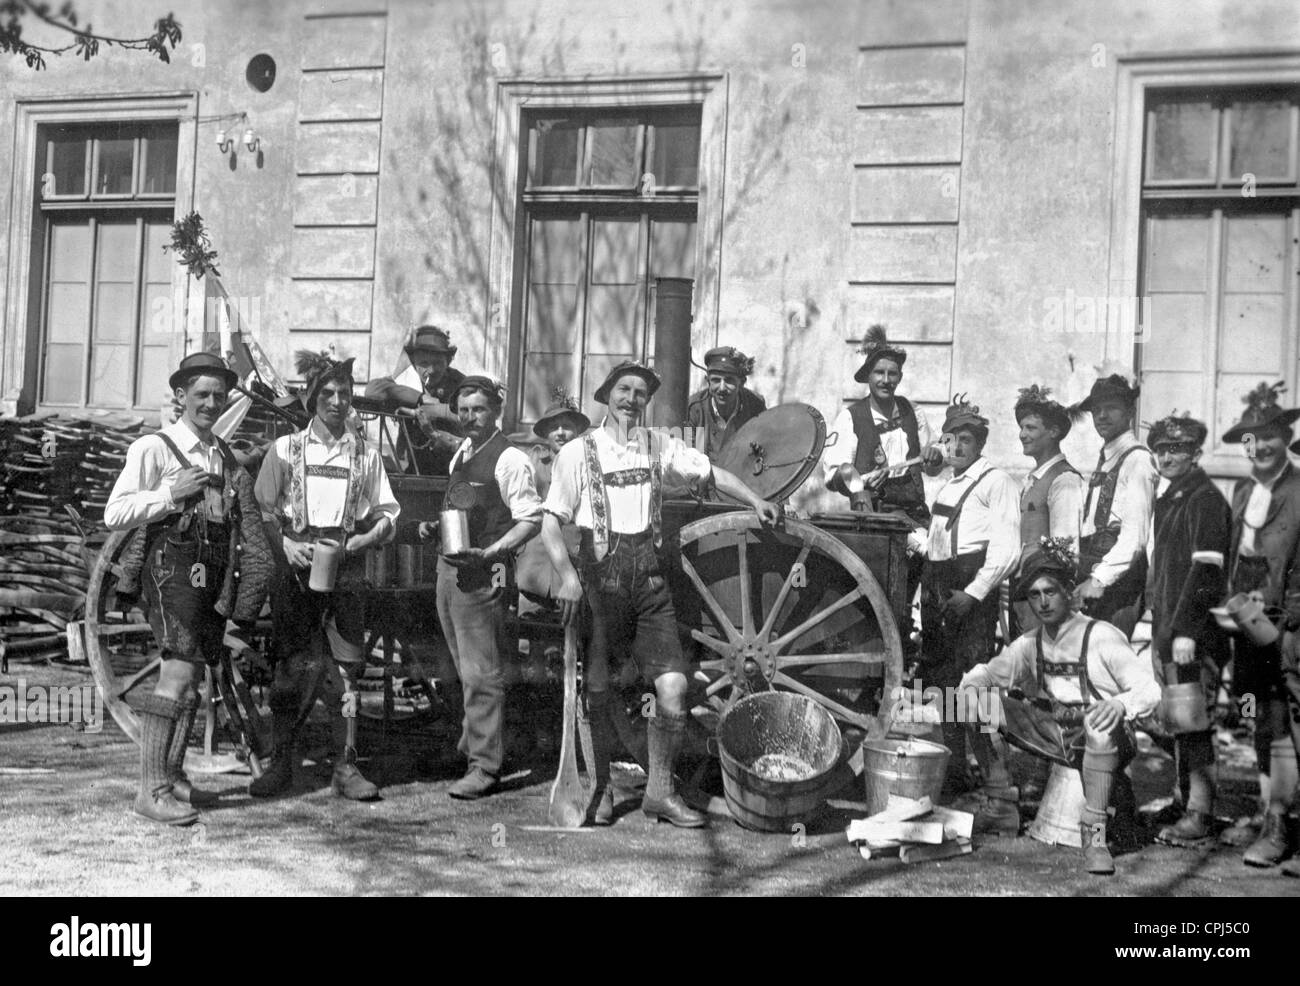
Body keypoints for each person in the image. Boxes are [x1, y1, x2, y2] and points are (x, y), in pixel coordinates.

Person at [541, 361, 781, 827]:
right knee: (598, 689)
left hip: (650, 581)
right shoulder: (577, 452)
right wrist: (567, 576)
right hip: (599, 583)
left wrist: (755, 500)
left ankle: (660, 791)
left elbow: (710, 474)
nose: (632, 399)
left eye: (640, 393)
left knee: (672, 688)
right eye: (624, 390)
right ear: (607, 395)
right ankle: (601, 787)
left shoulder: (660, 446)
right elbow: (552, 522)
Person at [104, 352, 272, 825]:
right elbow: (114, 514)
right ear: (180, 397)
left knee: (194, 676)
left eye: (219, 396)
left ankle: (172, 777)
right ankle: (150, 790)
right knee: (176, 677)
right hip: (168, 571)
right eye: (201, 394)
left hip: (209, 575)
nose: (211, 403)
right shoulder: (153, 448)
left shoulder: (221, 452)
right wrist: (169, 495)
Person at [955, 538, 1161, 874]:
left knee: (1097, 725)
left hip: (1107, 735)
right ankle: (1000, 804)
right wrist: (973, 688)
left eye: (1050, 591)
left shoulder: (1101, 636)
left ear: (1068, 592)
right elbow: (989, 674)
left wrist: (1121, 705)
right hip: (1055, 731)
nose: (1043, 602)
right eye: (1034, 596)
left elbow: (1150, 690)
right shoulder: (1029, 643)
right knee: (973, 702)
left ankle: (1095, 840)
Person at [250, 350, 400, 801]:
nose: (337, 401)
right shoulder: (285, 449)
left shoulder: (366, 456)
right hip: (296, 569)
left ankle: (346, 767)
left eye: (345, 393)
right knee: (290, 667)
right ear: (313, 398)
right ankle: (282, 765)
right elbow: (261, 509)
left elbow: (389, 512)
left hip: (347, 566)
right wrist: (289, 546)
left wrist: (366, 539)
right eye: (328, 393)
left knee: (348, 668)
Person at [420, 375, 543, 800]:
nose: (471, 417)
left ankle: (486, 766)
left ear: (496, 412)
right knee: (459, 665)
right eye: (465, 410)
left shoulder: (510, 459)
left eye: (480, 410)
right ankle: (469, 748)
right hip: (451, 569)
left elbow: (532, 519)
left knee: (481, 672)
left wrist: (492, 553)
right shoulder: (463, 452)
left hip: (484, 574)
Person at [919, 394, 1020, 795]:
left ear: (980, 444)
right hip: (939, 586)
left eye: (966, 440)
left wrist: (974, 593)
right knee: (942, 683)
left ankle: (998, 782)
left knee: (973, 684)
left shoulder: (996, 482)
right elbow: (936, 540)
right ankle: (956, 770)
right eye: (950, 439)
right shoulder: (947, 484)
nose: (956, 447)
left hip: (969, 589)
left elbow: (1007, 549)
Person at [1218, 382, 1300, 866]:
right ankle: (1271, 816)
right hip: (1247, 627)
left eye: (1266, 437)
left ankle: (1284, 823)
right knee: (1256, 717)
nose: (1257, 448)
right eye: (1248, 440)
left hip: (1290, 628)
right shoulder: (1245, 489)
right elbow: (1237, 556)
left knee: (1292, 722)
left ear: (1285, 438)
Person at [823, 325, 944, 649]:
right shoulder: (851, 417)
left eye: (893, 373)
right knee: (882, 593)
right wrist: (857, 480)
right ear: (868, 376)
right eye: (879, 372)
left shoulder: (911, 411)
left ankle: (912, 651)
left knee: (923, 578)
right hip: (875, 518)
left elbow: (934, 463)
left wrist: (934, 456)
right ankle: (878, 655)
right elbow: (833, 472)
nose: (886, 380)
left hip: (916, 513)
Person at [1145, 413, 1230, 848]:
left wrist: (1187, 632)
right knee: (1179, 720)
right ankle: (1183, 799)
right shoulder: (1171, 497)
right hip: (1169, 632)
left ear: (1195, 453)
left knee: (1194, 721)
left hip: (1193, 635)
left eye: (1176, 449)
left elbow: (1207, 572)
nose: (1166, 457)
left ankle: (1201, 812)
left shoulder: (1204, 499)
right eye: (1160, 449)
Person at [1069, 372, 1157, 638]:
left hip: (1119, 582)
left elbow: (1134, 537)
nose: (1102, 416)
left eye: (1111, 408)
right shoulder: (1107, 458)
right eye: (1097, 410)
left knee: (1107, 660)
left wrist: (1099, 579)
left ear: (1130, 411)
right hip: (1093, 569)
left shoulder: (1137, 461)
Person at [1011, 385, 1083, 636]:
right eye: (1021, 427)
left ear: (1054, 432)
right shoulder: (1033, 479)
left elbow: (1065, 551)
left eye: (1030, 427)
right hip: (1023, 589)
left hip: (1043, 597)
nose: (1022, 434)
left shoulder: (1063, 480)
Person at [515, 387, 590, 602]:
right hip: (533, 567)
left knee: (571, 629)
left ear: (577, 432)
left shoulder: (588, 464)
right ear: (546, 434)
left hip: (572, 562)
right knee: (527, 624)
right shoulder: (534, 461)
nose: (560, 432)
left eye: (567, 427)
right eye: (554, 427)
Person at [364, 325, 466, 474]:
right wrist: (421, 398)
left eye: (438, 363)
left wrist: (438, 410)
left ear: (449, 361)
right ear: (413, 362)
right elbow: (372, 390)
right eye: (424, 363)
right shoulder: (407, 381)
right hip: (415, 468)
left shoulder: (460, 383)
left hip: (454, 467)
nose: (431, 370)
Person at [685, 346, 766, 462]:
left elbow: (767, 443)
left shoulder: (755, 405)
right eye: (716, 380)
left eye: (729, 380)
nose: (722, 388)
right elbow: (689, 457)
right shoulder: (694, 409)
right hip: (705, 475)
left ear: (742, 383)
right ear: (707, 381)